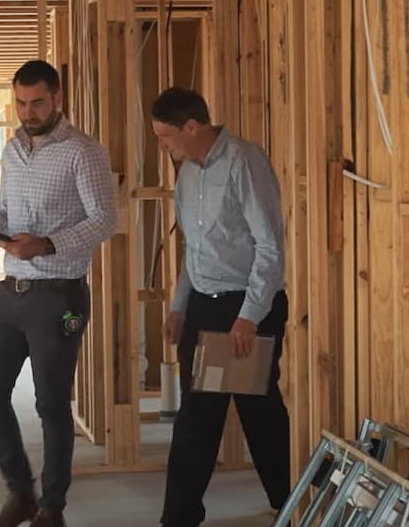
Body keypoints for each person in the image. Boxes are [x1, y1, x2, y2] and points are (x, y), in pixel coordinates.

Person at [0, 60, 116, 527]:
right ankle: (20, 492)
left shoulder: (82, 151)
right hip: (10, 294)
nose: (28, 111)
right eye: (21, 103)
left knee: (50, 403)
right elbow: (6, 211)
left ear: (57, 97)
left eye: (38, 102)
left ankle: (52, 507)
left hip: (57, 296)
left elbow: (105, 220)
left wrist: (45, 244)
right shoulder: (12, 149)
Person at [151, 87, 290, 526]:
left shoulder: (244, 163)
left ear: (192, 127)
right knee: (196, 418)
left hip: (245, 308)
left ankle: (290, 504)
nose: (163, 146)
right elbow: (196, 248)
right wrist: (178, 306)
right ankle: (179, 517)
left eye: (166, 136)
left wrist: (249, 317)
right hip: (204, 309)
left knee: (260, 414)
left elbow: (269, 247)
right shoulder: (188, 173)